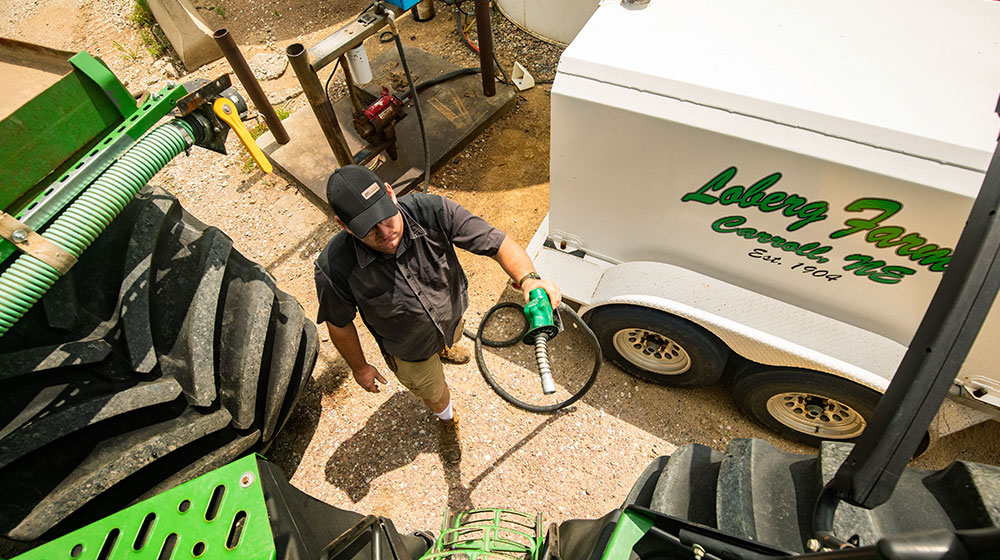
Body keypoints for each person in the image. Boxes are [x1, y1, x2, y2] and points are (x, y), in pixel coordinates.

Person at [314, 165, 561, 464]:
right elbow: (338, 323)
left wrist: (529, 278)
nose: (385, 233)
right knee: (434, 392)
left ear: (391, 193)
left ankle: (445, 346)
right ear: (344, 225)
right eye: (369, 228)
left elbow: (497, 243)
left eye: (386, 217)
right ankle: (446, 419)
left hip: (452, 320)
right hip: (410, 351)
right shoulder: (334, 267)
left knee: (451, 336)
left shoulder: (432, 211)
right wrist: (360, 367)